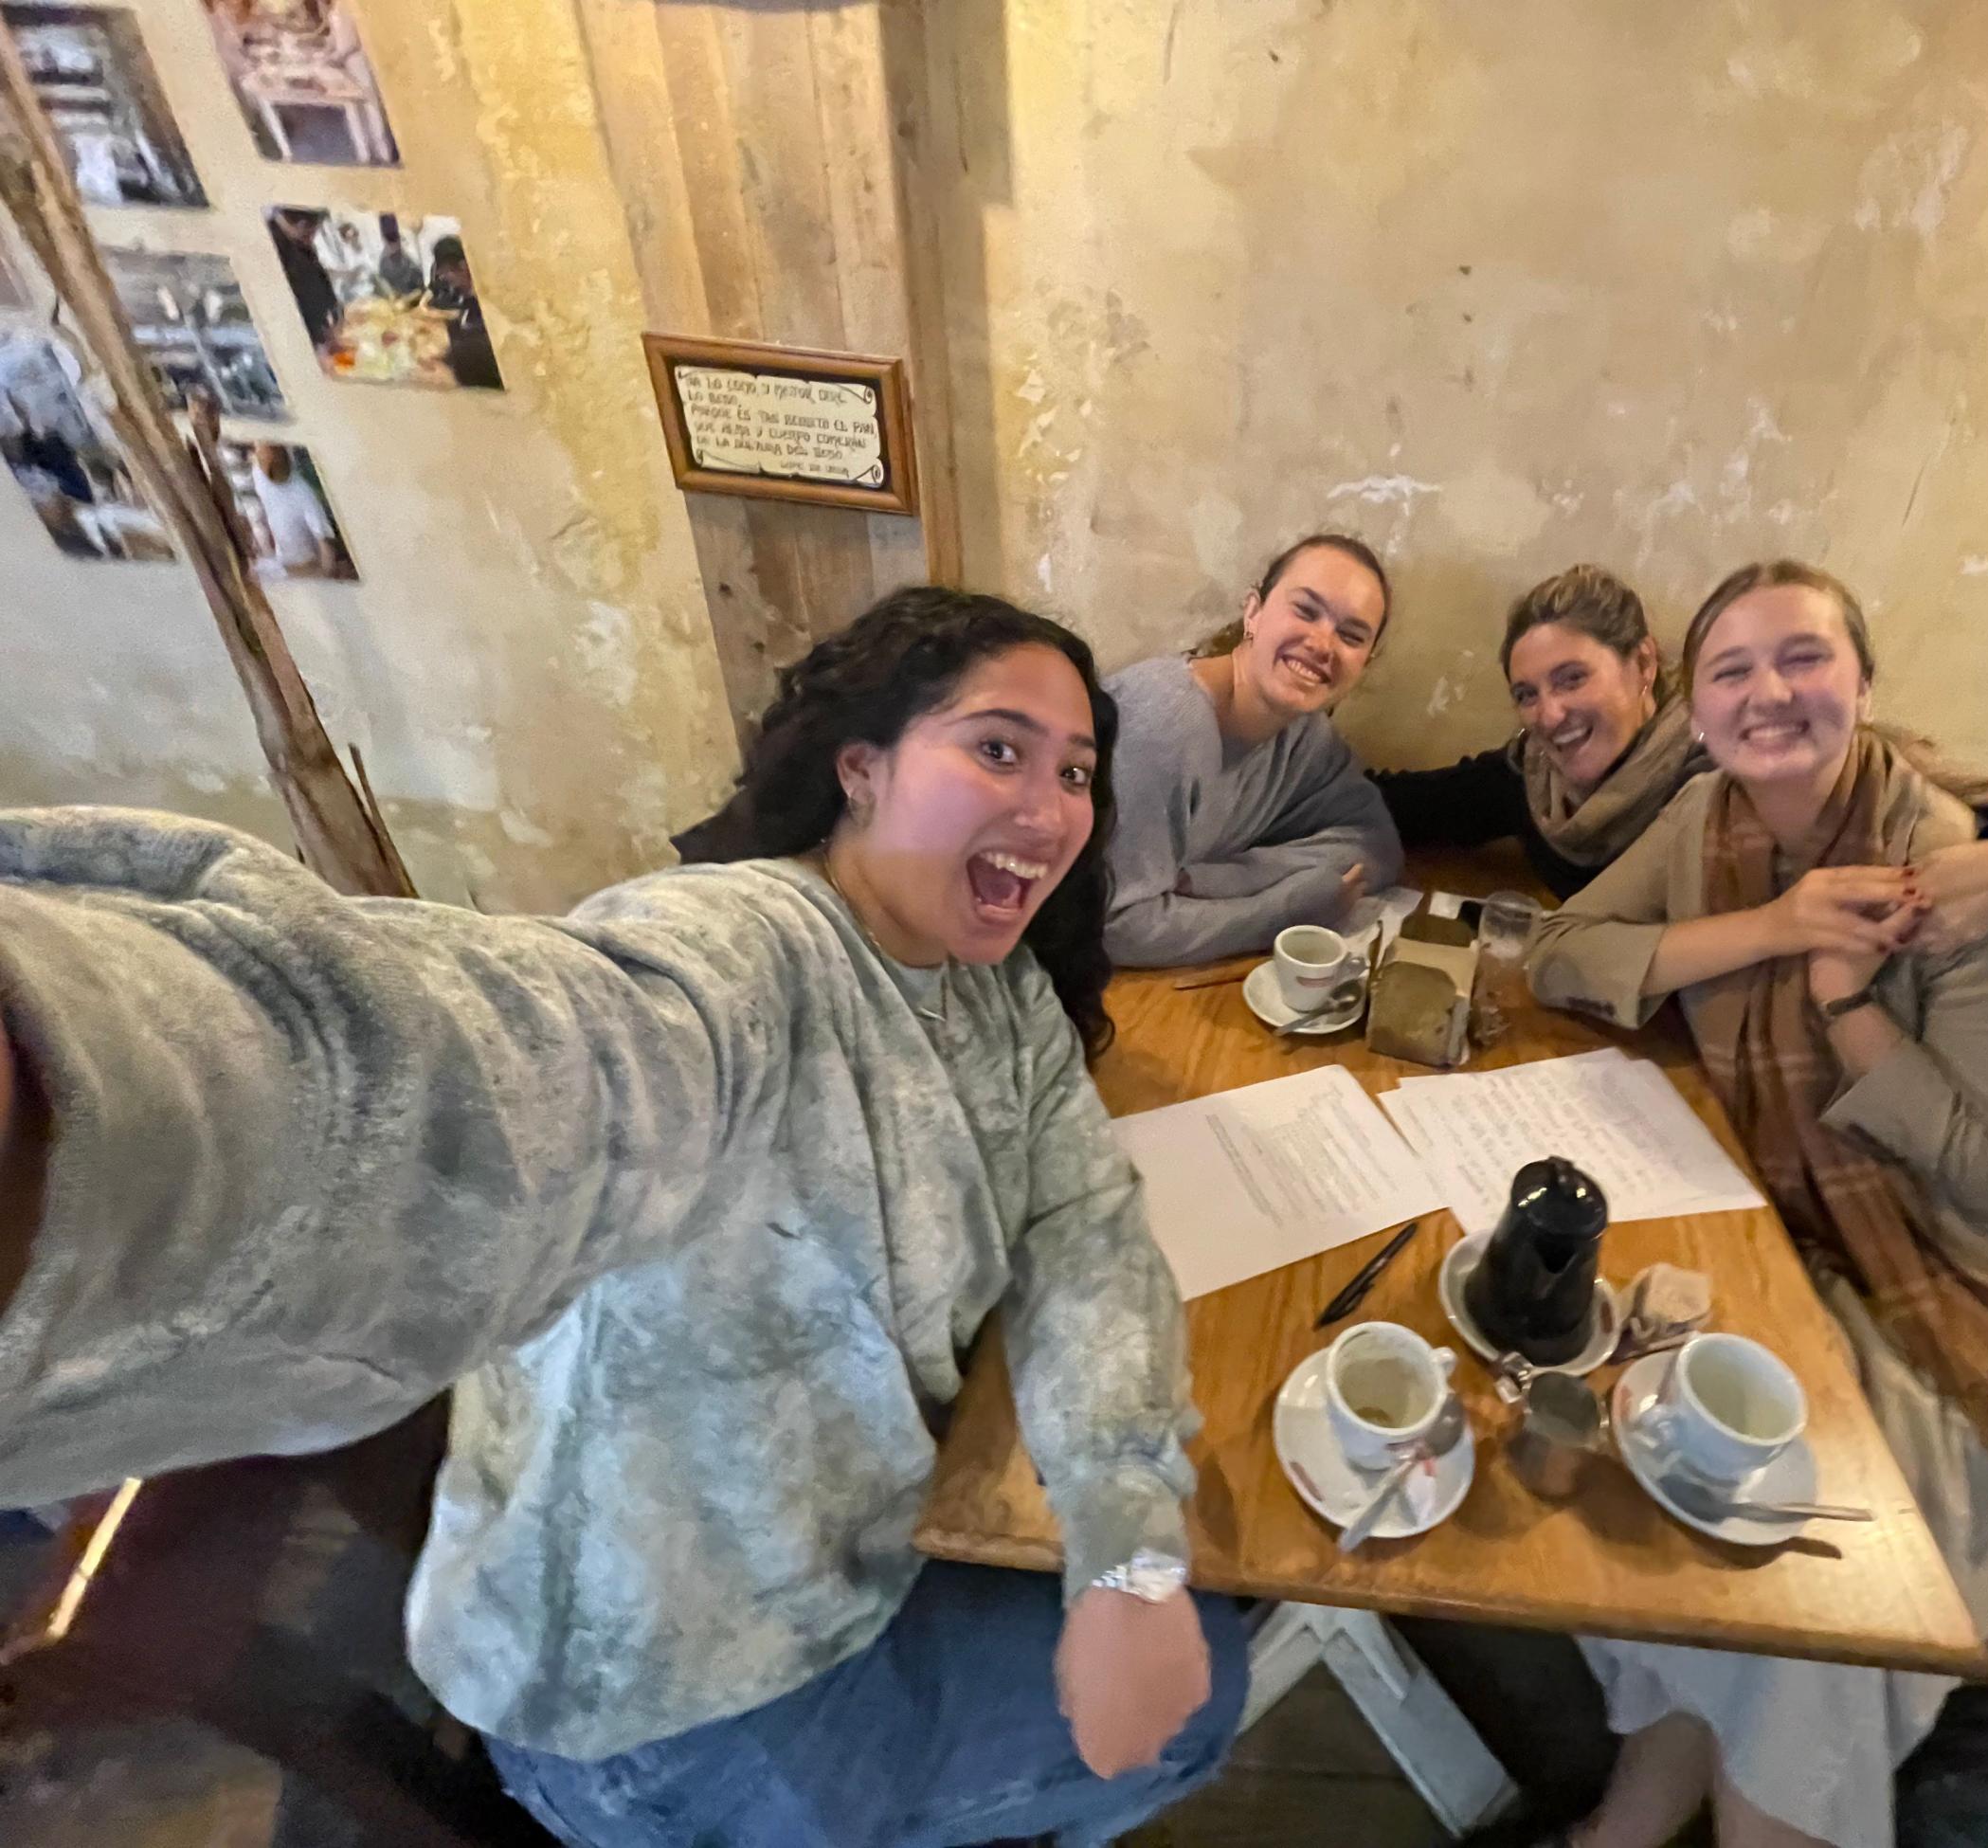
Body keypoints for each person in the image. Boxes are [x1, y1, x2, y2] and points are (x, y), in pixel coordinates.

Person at [0, 588, 1244, 1846]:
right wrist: (75, 1069)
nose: (1049, 806)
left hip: (851, 1564)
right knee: (1210, 1693)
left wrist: (1121, 1524)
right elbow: (486, 1061)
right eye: (996, 748)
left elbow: (1086, 1227)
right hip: (666, 1710)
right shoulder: (740, 954)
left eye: (1073, 770)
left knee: (1179, 1610)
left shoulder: (996, 995)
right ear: (861, 768)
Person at [1525, 560, 1988, 1848]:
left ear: (1862, 681)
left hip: (1977, 1314)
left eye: (1802, 657)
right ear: (1695, 710)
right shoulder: (1709, 821)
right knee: (1638, 1466)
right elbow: (1562, 947)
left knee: (1791, 1595)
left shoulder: (1966, 881)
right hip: (1793, 1244)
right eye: (1733, 669)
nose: (1768, 691)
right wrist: (1774, 926)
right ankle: (1634, 1821)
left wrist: (1850, 1005)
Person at [1372, 564, 1988, 955]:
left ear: (1643, 665)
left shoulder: (1740, 749)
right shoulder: (1534, 777)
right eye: (1527, 694)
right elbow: (1405, 803)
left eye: (1572, 679)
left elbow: (1950, 796)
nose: (1550, 715)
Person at [1102, 532, 1404, 965]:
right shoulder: (1167, 723)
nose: (1322, 644)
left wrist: (1227, 879)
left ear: (1365, 662)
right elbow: (1115, 928)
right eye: (1305, 611)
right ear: (1253, 612)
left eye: (1351, 635)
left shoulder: (1304, 735)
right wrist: (1284, 912)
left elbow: (1377, 846)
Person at [247, 442, 345, 578]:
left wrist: (325, 575)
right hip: (281, 559)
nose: (259, 455)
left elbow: (325, 548)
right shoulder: (258, 473)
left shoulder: (303, 494)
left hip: (304, 568)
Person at [424, 233, 504, 390]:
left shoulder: (486, 305)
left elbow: (484, 351)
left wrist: (450, 357)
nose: (443, 277)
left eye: (446, 271)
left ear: (463, 266)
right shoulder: (464, 300)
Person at [270, 207, 342, 352]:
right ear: (302, 225)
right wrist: (319, 335)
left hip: (322, 328)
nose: (313, 237)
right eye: (312, 231)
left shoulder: (296, 242)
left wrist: (333, 309)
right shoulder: (276, 245)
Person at [374, 211, 425, 299]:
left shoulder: (407, 254)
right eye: (390, 242)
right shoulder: (384, 262)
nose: (394, 246)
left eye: (396, 240)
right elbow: (386, 288)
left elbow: (421, 282)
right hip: (399, 298)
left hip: (414, 295)